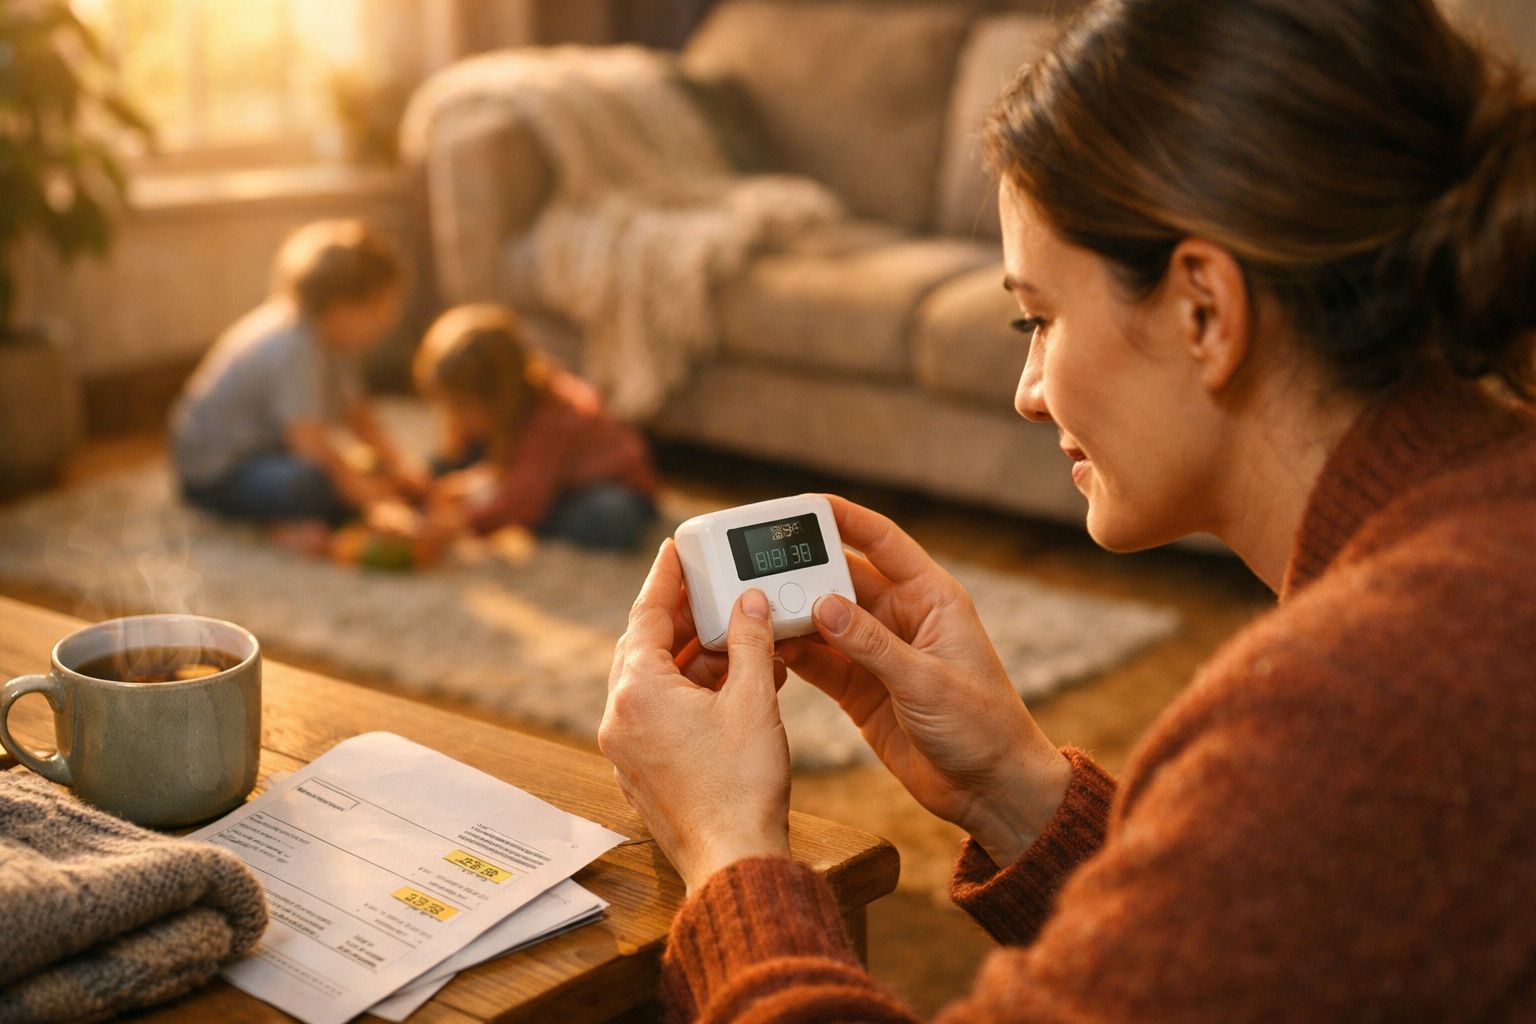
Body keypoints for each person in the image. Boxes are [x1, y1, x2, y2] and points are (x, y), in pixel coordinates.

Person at [599, 0, 1536, 1019]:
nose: (1028, 389)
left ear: (1204, 313)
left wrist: (728, 851)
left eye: (1038, 317)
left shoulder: (1352, 706)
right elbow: (1266, 948)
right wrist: (1012, 787)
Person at [170, 219, 424, 550]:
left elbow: (357, 414)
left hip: (271, 449)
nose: (390, 317)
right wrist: (370, 498)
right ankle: (277, 527)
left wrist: (397, 465)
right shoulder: (295, 345)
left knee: (360, 466)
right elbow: (309, 445)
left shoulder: (335, 339)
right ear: (339, 307)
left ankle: (320, 512)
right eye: (379, 306)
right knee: (310, 484)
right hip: (218, 474)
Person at [413, 303, 658, 550]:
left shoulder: (556, 414)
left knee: (608, 516)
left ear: (497, 396)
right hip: (539, 476)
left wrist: (462, 522)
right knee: (451, 466)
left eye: (461, 409)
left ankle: (532, 511)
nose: (454, 419)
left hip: (602, 486)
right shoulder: (504, 413)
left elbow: (524, 497)